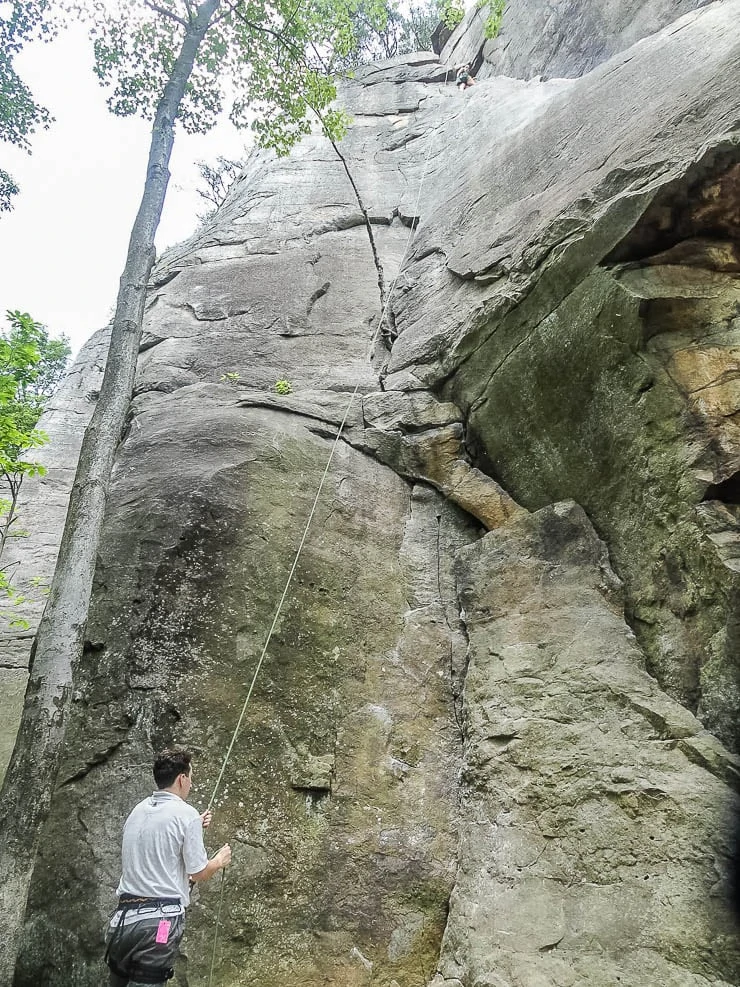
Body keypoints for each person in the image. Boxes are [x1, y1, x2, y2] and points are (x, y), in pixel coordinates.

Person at [104, 749, 231, 986]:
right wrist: (219, 861)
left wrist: (193, 828)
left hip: (121, 925)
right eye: (191, 778)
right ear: (182, 778)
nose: (191, 784)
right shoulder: (186, 814)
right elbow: (198, 872)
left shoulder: (139, 810)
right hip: (158, 928)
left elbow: (160, 842)